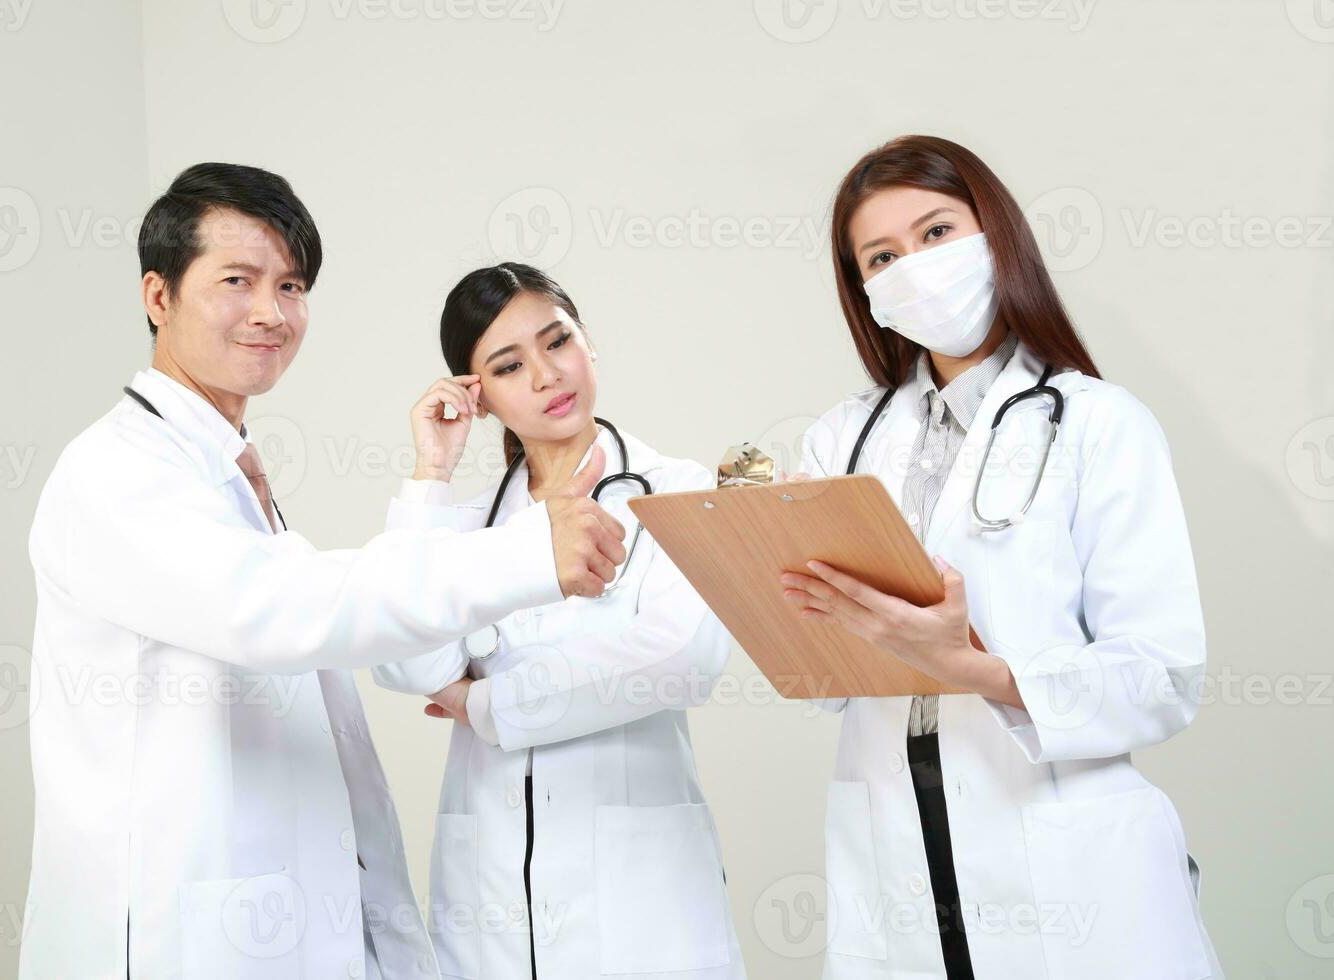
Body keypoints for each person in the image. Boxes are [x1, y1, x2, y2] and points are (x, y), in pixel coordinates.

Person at [19, 164, 627, 980]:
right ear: (158, 297)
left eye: (292, 285)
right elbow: (283, 610)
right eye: (239, 281)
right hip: (184, 940)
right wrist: (527, 553)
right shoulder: (114, 474)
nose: (272, 312)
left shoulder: (228, 474)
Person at [779, 136, 1221, 979]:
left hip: (1070, 866)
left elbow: (1160, 679)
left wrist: (973, 666)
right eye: (882, 256)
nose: (915, 267)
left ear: (995, 233)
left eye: (937, 233)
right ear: (865, 291)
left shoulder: (1098, 423)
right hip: (901, 850)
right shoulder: (843, 439)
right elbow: (826, 679)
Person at [372, 263, 746, 980]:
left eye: (557, 342)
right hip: (490, 888)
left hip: (640, 898)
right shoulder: (457, 522)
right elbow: (402, 655)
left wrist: (484, 700)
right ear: (476, 396)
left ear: (588, 343)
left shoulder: (679, 489)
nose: (546, 375)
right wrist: (430, 472)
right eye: (509, 366)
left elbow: (680, 658)